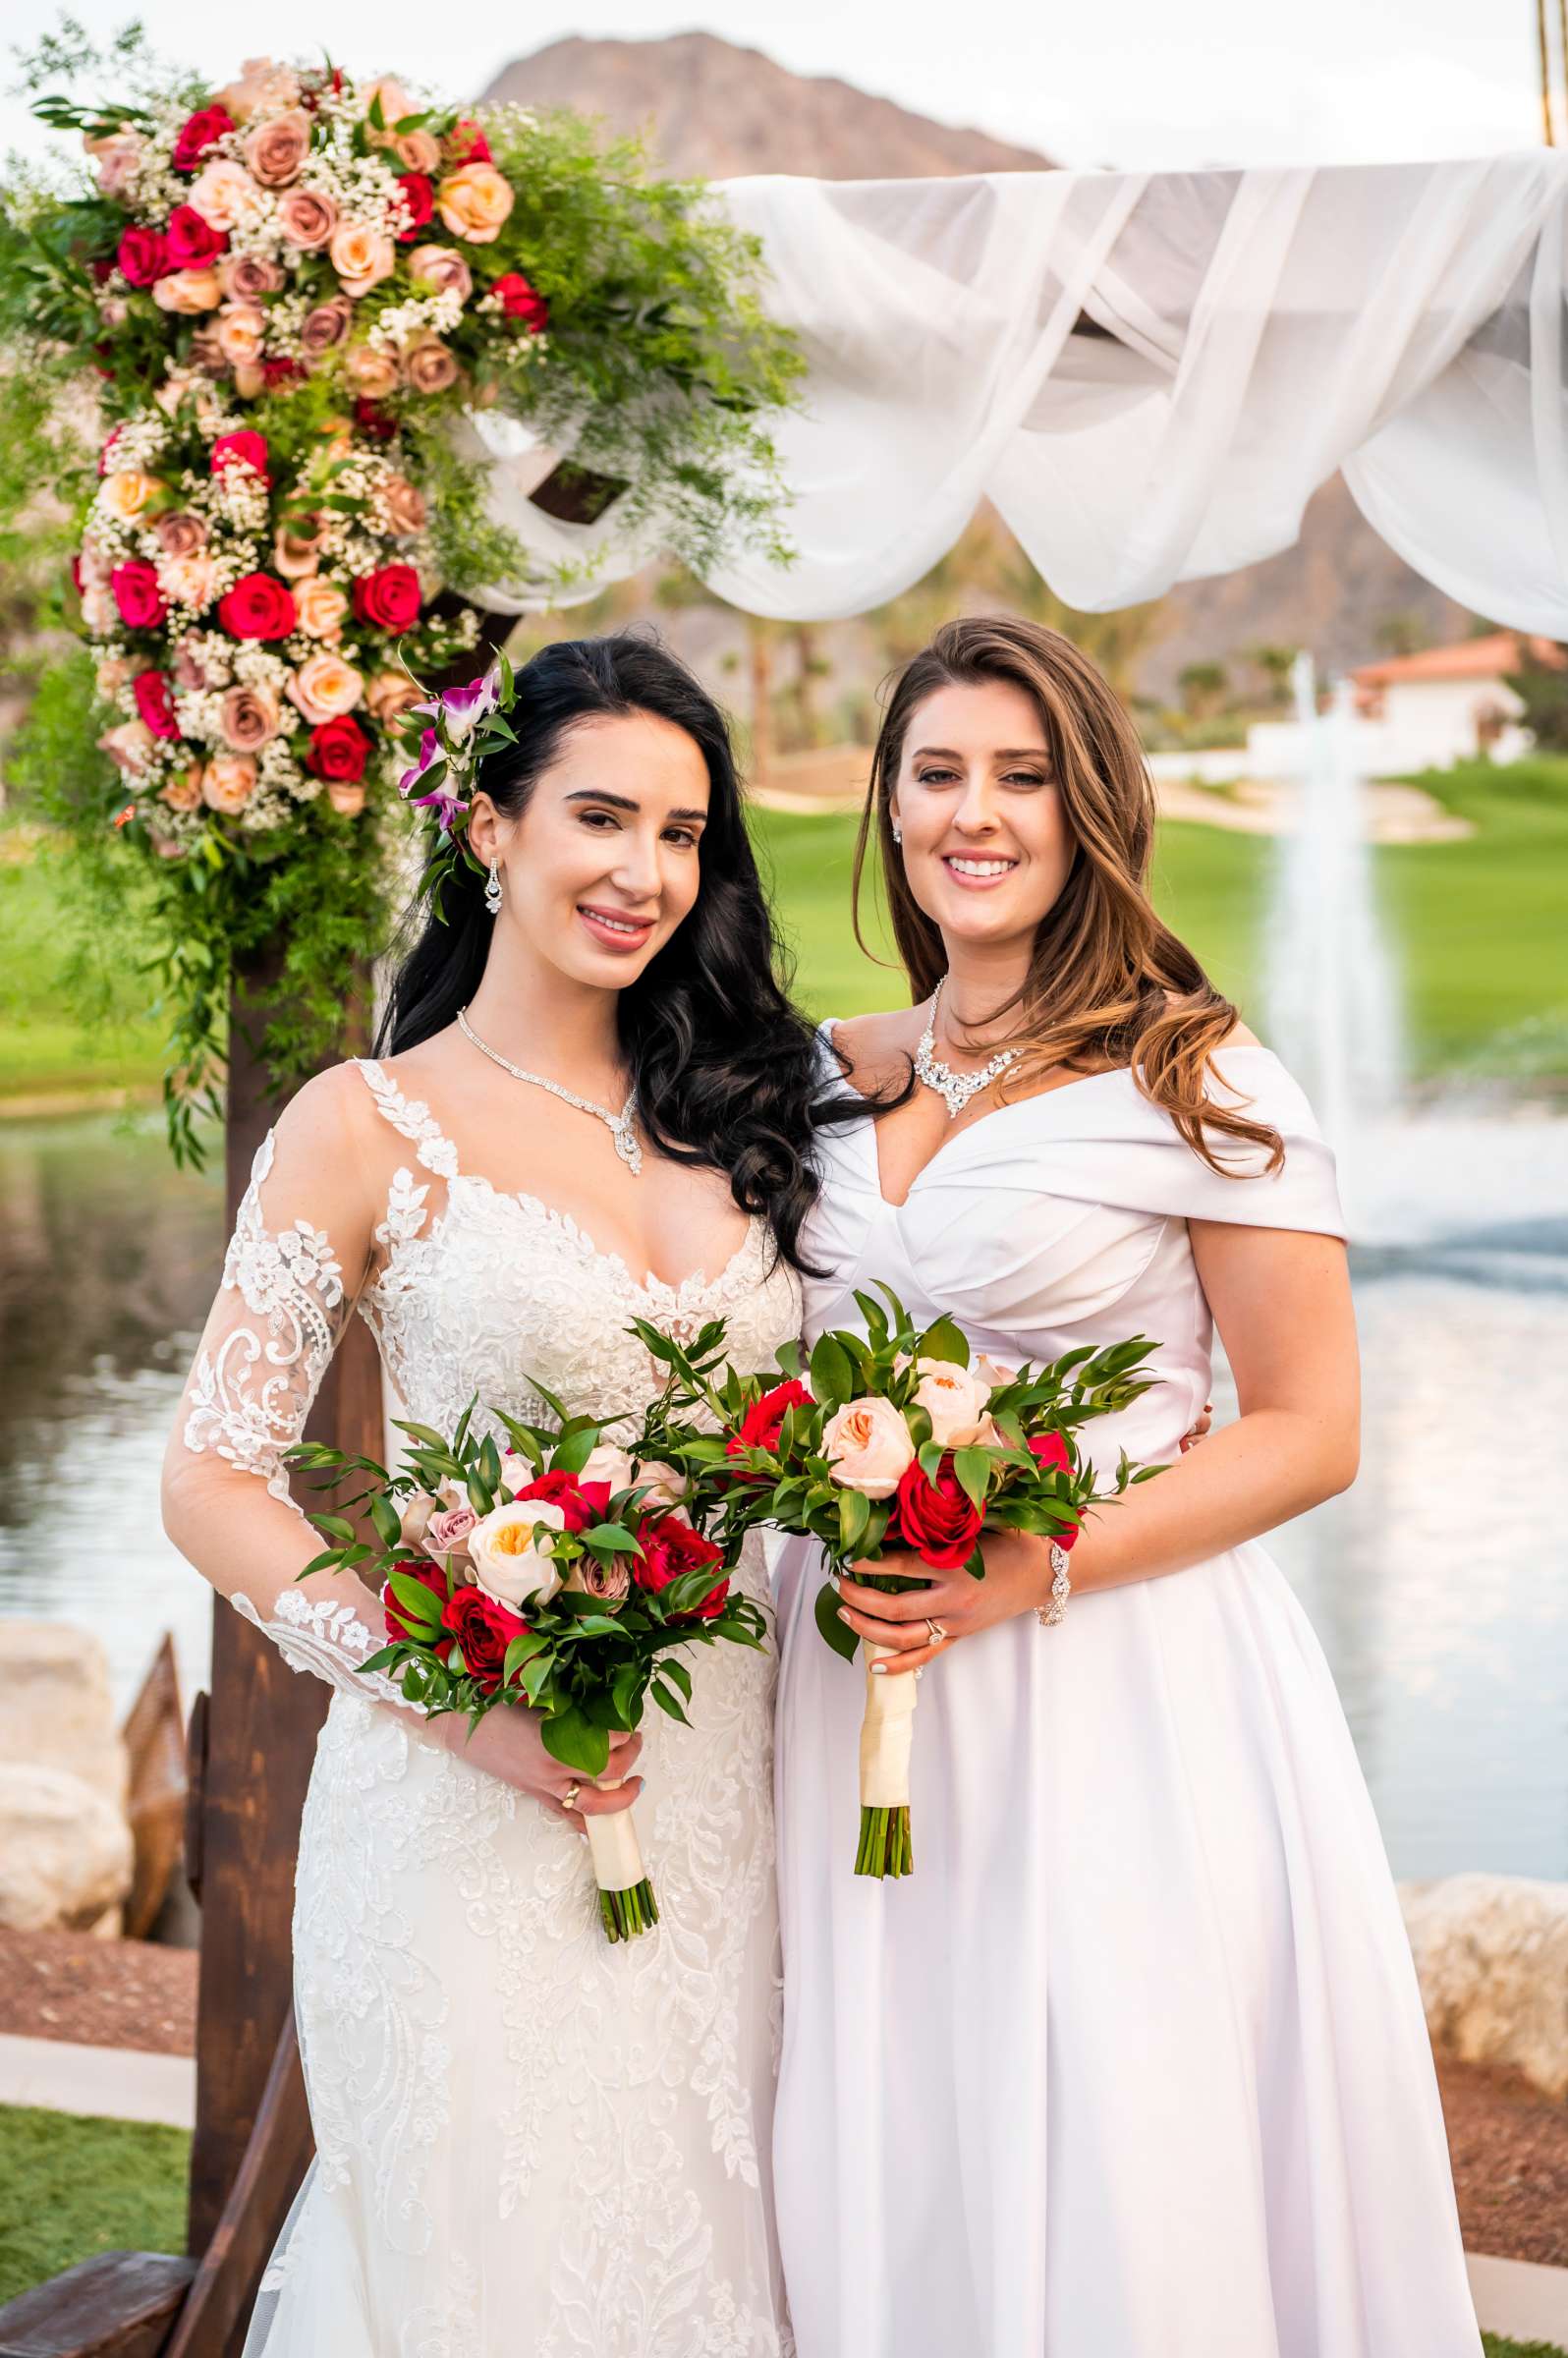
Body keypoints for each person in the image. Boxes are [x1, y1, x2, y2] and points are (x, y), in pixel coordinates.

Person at [769, 615, 1480, 2357]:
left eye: (1021, 776)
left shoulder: (1199, 1077)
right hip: (845, 1670)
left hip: (1110, 1683)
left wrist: (1033, 1568)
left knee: (1102, 2106)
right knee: (885, 2106)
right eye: (936, 774)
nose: (975, 814)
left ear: (1091, 809)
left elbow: (1313, 1428)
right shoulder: (821, 1075)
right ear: (889, 805)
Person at [161, 633, 851, 2356]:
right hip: (463, 1798)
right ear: (489, 827)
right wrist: (460, 1704)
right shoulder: (366, 1123)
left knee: (717, 2247)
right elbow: (212, 1480)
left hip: (725, 1796)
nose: (645, 874)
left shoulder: (756, 1103)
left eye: (685, 836)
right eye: (602, 818)